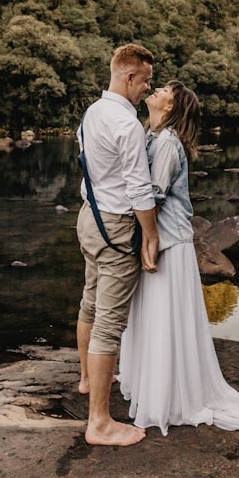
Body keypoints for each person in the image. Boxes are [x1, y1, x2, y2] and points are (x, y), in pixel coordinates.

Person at [118, 80, 239, 436]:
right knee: (152, 316)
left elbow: (152, 197)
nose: (155, 91)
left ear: (171, 108)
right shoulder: (151, 136)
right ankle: (154, 383)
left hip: (167, 243)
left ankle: (167, 396)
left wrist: (146, 239)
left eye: (163, 91)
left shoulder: (165, 145)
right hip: (157, 239)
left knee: (163, 318)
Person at [76, 43, 160, 446]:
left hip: (88, 217)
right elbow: (139, 188)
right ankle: (100, 423)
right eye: (145, 81)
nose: (147, 89)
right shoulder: (126, 125)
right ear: (130, 77)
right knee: (109, 323)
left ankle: (86, 380)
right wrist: (152, 234)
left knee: (89, 301)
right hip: (116, 226)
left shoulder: (94, 112)